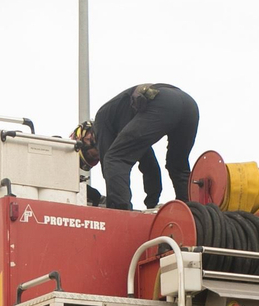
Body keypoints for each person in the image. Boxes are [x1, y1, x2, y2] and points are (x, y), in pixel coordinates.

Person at [71, 84, 199, 212]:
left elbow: (109, 165)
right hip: (189, 106)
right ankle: (190, 211)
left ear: (85, 136)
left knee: (114, 158)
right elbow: (150, 167)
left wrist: (115, 208)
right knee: (178, 166)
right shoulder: (127, 133)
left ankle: (120, 214)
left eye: (91, 155)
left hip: (163, 102)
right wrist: (151, 206)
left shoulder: (102, 120)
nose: (97, 154)